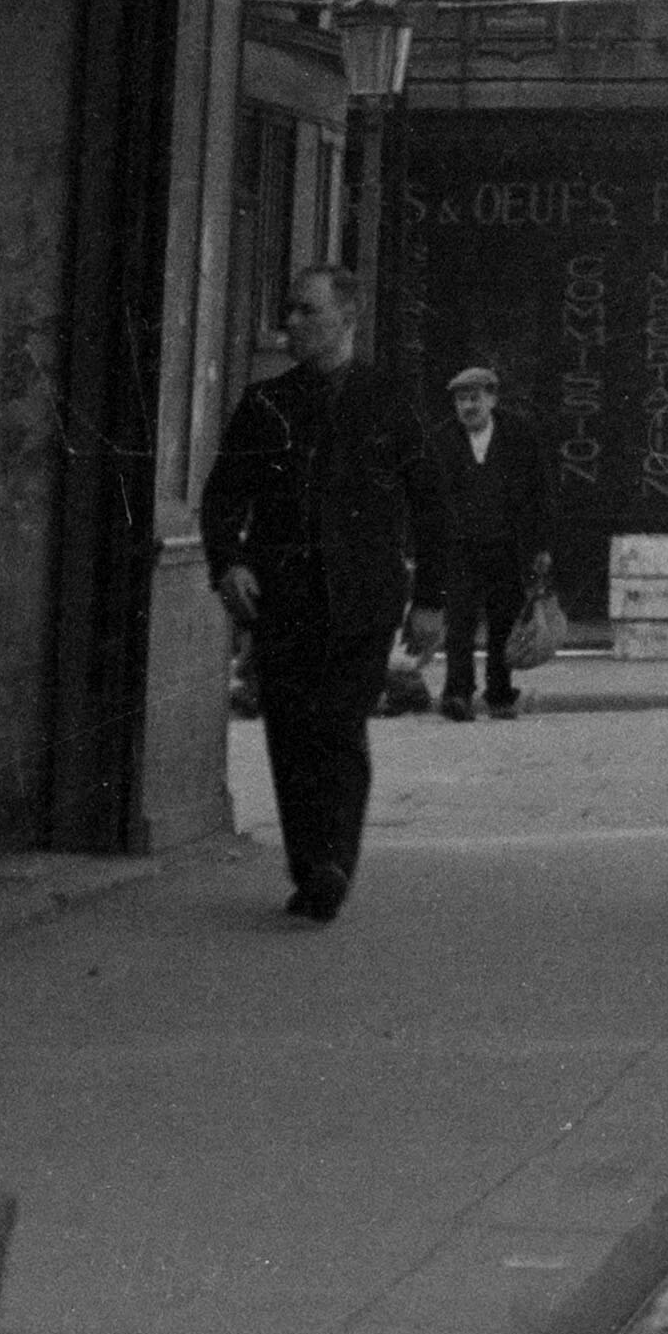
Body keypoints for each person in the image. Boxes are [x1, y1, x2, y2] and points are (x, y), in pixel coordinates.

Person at [203, 263, 420, 919]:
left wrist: (434, 599)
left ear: (347, 318)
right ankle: (309, 861)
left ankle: (332, 862)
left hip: (362, 598)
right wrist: (229, 563)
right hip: (285, 597)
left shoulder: (389, 400)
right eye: (290, 310)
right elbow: (222, 496)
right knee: (291, 730)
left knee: (339, 725)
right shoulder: (265, 403)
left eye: (307, 310)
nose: (291, 322)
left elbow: (431, 500)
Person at [425, 359, 558, 721]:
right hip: (460, 547)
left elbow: (540, 491)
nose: (468, 407)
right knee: (460, 623)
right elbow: (429, 497)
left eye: (475, 398)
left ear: (492, 399)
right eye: (461, 400)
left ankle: (499, 694)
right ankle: (458, 694)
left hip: (507, 546)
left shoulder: (519, 435)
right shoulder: (442, 439)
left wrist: (542, 545)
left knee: (504, 621)